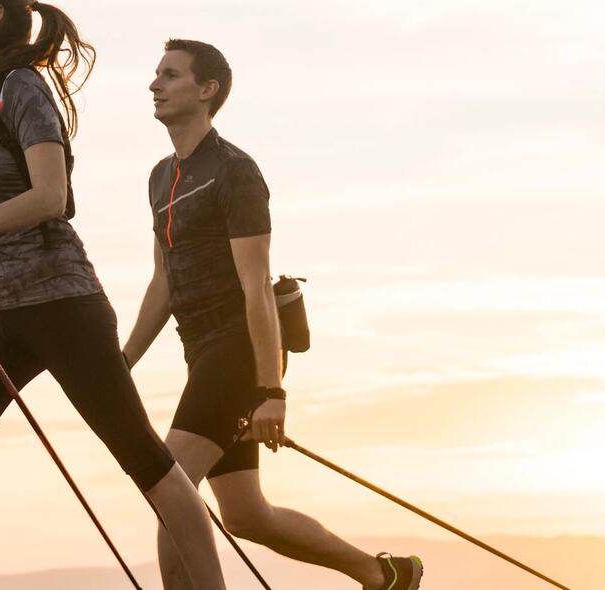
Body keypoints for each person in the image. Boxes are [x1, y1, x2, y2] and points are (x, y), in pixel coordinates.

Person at [0, 2, 227, 588]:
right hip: (0, 315)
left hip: (64, 306)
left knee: (145, 461)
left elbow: (51, 196)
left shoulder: (21, 87)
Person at [121, 38, 423, 590]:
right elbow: (163, 282)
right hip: (202, 353)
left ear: (207, 90)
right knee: (245, 515)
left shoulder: (236, 172)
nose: (154, 84)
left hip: (240, 351)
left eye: (170, 74)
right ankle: (382, 576)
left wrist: (271, 390)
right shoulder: (161, 176)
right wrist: (121, 363)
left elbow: (257, 286)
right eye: (156, 74)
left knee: (170, 485)